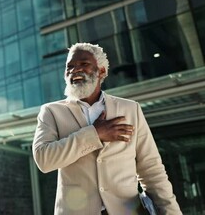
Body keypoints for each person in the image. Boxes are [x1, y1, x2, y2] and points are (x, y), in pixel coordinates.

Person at [32, 43, 182, 214]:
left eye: (84, 64)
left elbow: (151, 170)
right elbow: (43, 159)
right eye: (70, 67)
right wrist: (95, 134)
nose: (75, 70)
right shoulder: (51, 112)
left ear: (101, 71)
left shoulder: (130, 109)